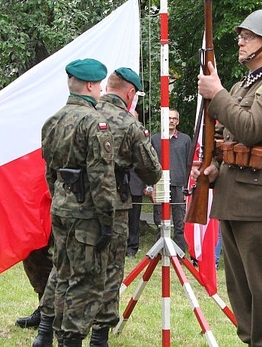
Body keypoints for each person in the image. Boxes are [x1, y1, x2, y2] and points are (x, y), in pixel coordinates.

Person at [195, 9, 262, 346]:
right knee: (240, 289)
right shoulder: (243, 85)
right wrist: (214, 165)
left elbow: (250, 127)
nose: (240, 40)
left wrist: (218, 93)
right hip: (232, 195)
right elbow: (229, 136)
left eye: (248, 36)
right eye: (241, 35)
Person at [37, 58, 115, 347]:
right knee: (85, 281)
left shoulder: (53, 120)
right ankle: (70, 340)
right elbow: (101, 177)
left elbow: (49, 172)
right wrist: (107, 220)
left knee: (62, 270)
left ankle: (45, 333)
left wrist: (60, 197)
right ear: (91, 85)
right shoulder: (95, 123)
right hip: (87, 213)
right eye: (100, 85)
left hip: (61, 207)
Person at [85, 67, 161, 345]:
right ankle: (99, 337)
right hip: (113, 204)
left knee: (70, 266)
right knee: (109, 270)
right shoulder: (128, 123)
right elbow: (152, 172)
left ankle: (50, 329)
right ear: (131, 94)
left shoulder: (82, 113)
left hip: (76, 201)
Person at [150, 108, 192, 253]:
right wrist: (150, 186)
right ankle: (160, 250)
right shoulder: (155, 139)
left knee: (179, 218)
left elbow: (189, 163)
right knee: (159, 217)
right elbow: (150, 164)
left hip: (179, 184)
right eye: (169, 118)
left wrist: (187, 186)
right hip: (160, 183)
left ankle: (179, 250)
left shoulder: (185, 140)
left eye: (174, 118)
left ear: (178, 121)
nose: (171, 121)